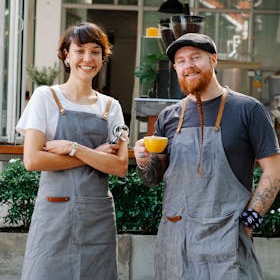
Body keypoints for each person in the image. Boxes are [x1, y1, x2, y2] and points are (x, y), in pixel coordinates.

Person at [134, 33, 280, 280]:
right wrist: (143, 159)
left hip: (226, 243)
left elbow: (274, 169)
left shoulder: (248, 109)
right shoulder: (168, 117)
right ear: (175, 68)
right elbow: (151, 179)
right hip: (175, 243)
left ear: (213, 59)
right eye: (181, 61)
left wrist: (250, 220)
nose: (188, 65)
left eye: (195, 57)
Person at [16, 22, 129, 280]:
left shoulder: (111, 107)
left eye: (95, 51)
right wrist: (92, 156)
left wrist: (73, 148)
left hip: (96, 217)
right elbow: (33, 160)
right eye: (79, 51)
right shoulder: (45, 97)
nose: (87, 59)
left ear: (103, 57)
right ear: (66, 56)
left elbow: (120, 166)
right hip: (54, 215)